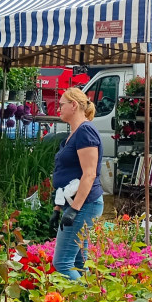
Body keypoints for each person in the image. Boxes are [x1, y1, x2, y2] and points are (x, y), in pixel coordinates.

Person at [50, 87, 104, 280]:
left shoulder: (85, 131)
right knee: (80, 263)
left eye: (61, 104)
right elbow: (68, 174)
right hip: (77, 203)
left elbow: (89, 175)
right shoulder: (73, 134)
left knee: (62, 263)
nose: (58, 109)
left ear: (74, 105)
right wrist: (58, 208)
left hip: (85, 204)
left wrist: (74, 210)